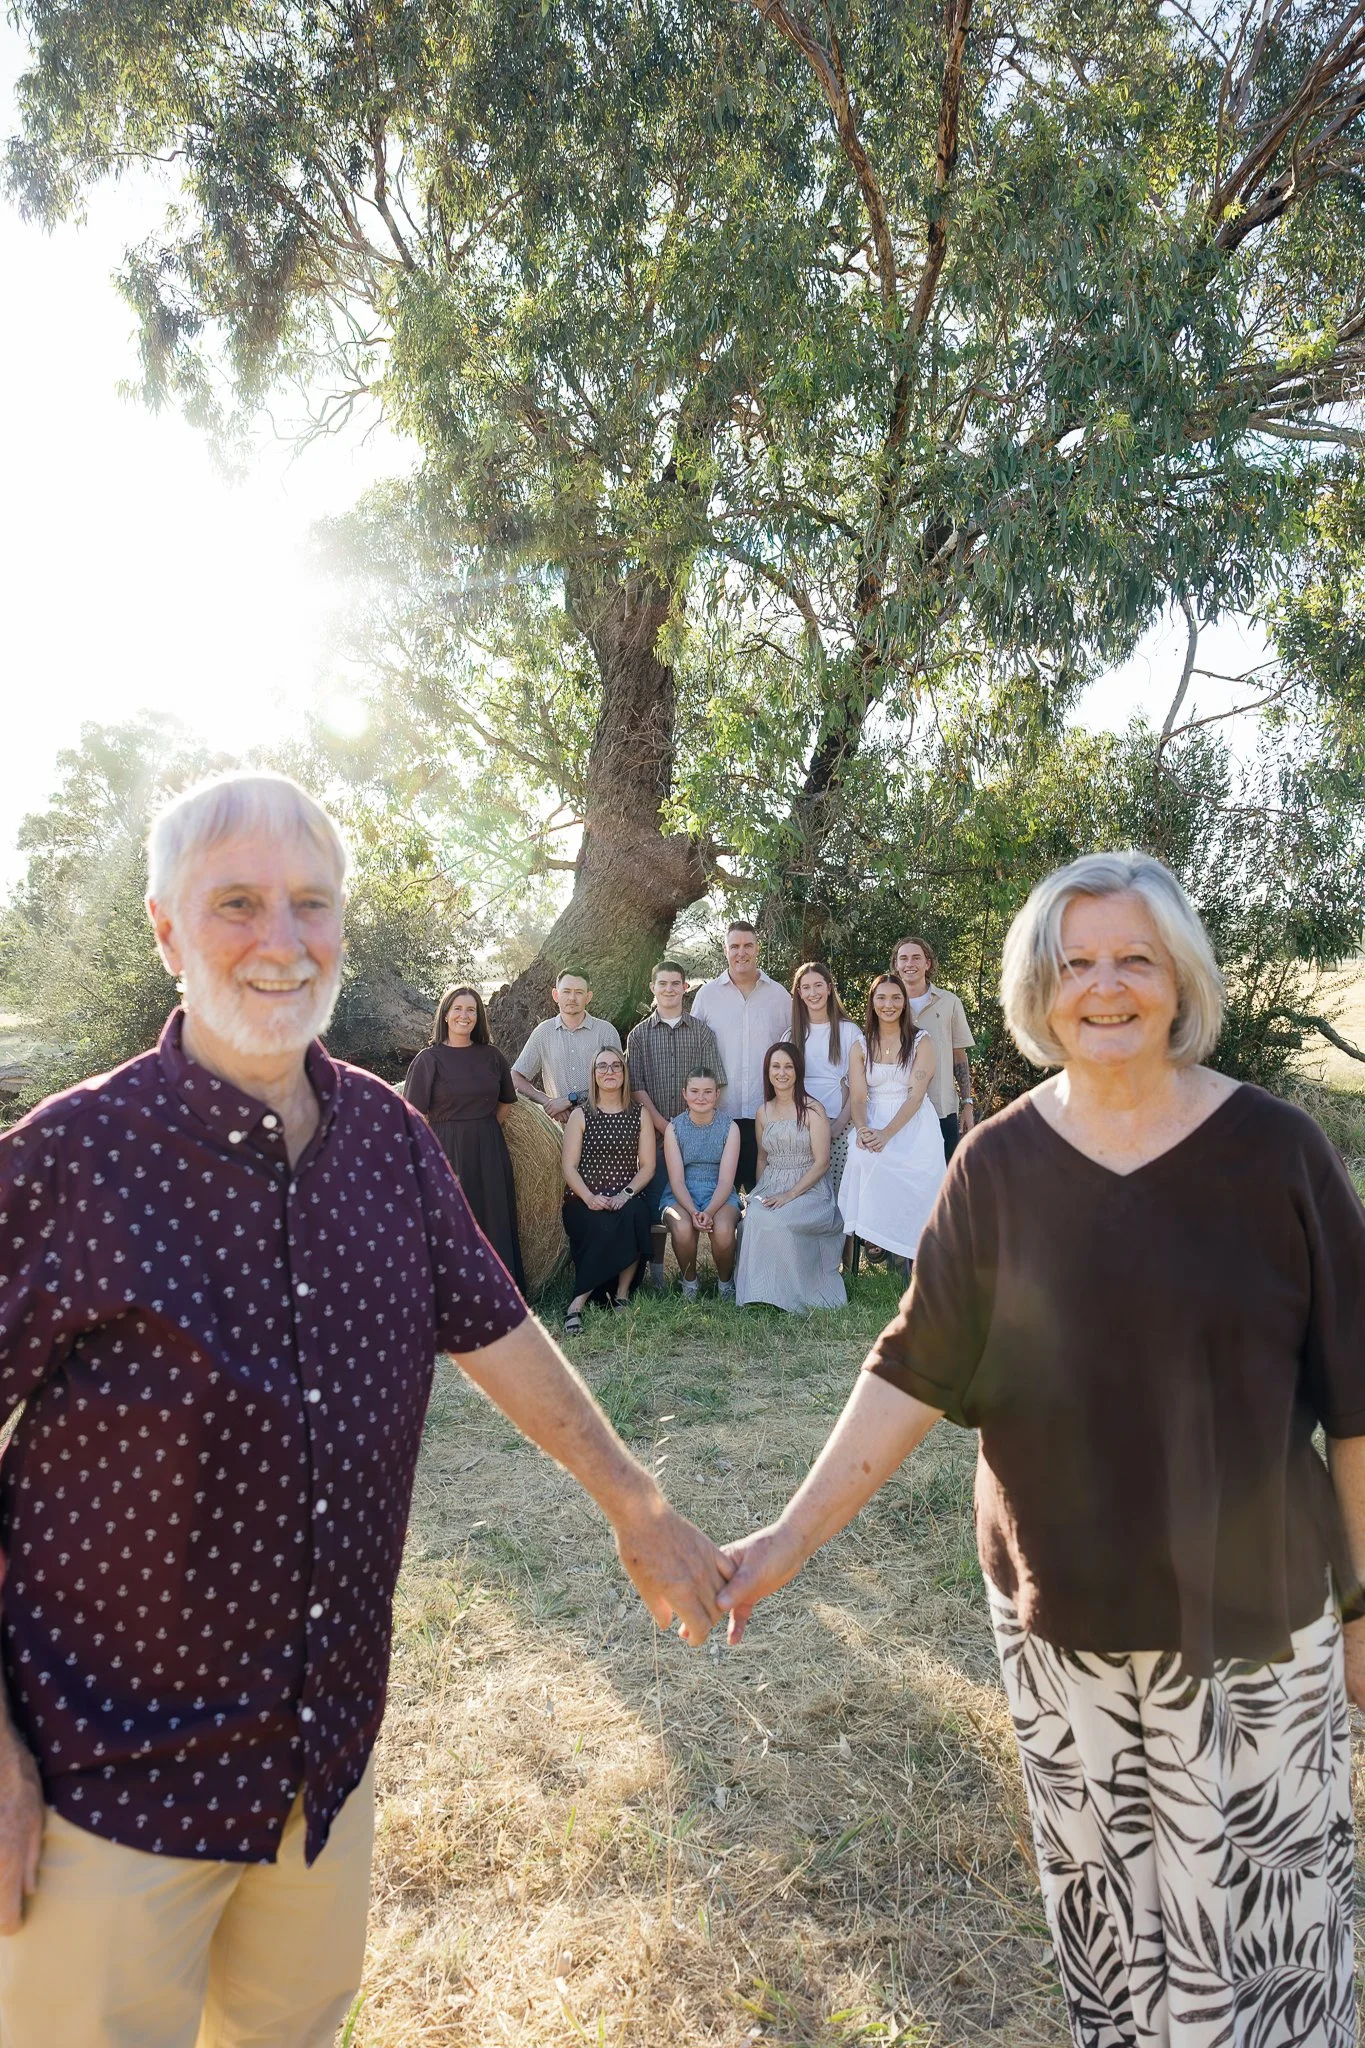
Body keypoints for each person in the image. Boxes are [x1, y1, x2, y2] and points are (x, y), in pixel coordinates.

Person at [0, 772, 732, 2048]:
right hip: (96, 1789)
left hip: (318, 1774)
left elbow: (498, 1328)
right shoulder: (69, 1160)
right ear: (169, 932)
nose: (281, 941)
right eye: (237, 903)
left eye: (310, 904)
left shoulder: (387, 1142)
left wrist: (638, 1502)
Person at [720, 851, 1365, 2048]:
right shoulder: (998, 1167)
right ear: (1039, 987)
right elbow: (909, 1371)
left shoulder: (1279, 1154)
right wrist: (785, 1539)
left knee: (1272, 1952)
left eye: (1136, 958)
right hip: (1062, 1635)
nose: (1106, 986)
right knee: (1114, 1943)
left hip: (1259, 1634)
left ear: (1181, 980)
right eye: (1078, 962)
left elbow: (1360, 1404)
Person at [404, 984, 525, 1289]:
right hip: (444, 1151)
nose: (464, 1015)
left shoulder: (492, 1056)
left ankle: (498, 1293)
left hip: (488, 1148)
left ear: (479, 1016)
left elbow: (505, 1102)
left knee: (493, 1220)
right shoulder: (428, 1059)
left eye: (471, 1009)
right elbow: (414, 1116)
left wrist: (483, 1130)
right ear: (445, 1015)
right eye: (457, 1008)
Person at [837, 975, 946, 1278]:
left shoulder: (922, 1041)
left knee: (914, 1172)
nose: (889, 1004)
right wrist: (862, 1130)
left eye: (896, 998)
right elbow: (858, 1098)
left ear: (904, 1002)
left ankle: (910, 1254)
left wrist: (887, 1134)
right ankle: (875, 1239)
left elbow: (916, 1096)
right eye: (881, 998)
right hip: (872, 1119)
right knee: (862, 1157)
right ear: (872, 1002)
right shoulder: (860, 1045)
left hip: (912, 1125)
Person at [627, 960, 726, 1289]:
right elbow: (637, 1087)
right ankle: (657, 1275)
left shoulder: (701, 1032)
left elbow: (713, 1083)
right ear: (652, 988)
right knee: (659, 1202)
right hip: (653, 1134)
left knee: (694, 1197)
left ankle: (698, 1275)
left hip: (695, 1134)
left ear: (686, 988)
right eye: (662, 983)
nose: (669, 989)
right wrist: (664, 1126)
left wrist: (687, 1126)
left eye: (675, 984)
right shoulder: (639, 1036)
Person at [734, 1043, 845, 1313]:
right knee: (754, 1218)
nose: (781, 1073)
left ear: (798, 1071)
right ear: (768, 1071)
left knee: (780, 1220)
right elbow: (762, 1157)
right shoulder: (764, 1112)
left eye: (788, 1066)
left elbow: (822, 1163)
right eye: (776, 1066)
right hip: (772, 1183)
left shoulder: (813, 1110)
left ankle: (792, 1295)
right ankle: (758, 1293)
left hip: (810, 1189)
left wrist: (790, 1194)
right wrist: (760, 1193)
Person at [690, 921, 791, 1193]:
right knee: (723, 1200)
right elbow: (692, 1050)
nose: (741, 952)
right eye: (734, 946)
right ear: (726, 950)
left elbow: (793, 1050)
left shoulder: (780, 996)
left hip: (767, 1113)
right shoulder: (707, 995)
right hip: (720, 1114)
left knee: (766, 1197)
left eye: (747, 945)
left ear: (758, 948)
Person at [561, 1047, 656, 1334]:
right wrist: (590, 1198)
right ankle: (577, 1303)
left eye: (616, 1066)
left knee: (637, 1213)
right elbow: (569, 1167)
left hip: (625, 1196)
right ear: (594, 1075)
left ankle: (622, 1295)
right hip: (583, 1199)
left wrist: (623, 1195)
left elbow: (648, 1166)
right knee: (601, 1224)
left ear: (624, 1073)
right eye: (602, 1067)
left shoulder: (640, 1114)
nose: (610, 1071)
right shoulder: (581, 1114)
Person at [889, 936, 976, 1159]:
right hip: (897, 1110)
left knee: (944, 1182)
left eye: (916, 958)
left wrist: (967, 1104)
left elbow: (959, 1056)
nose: (910, 964)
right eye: (904, 958)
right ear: (896, 964)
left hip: (941, 1108)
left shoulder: (949, 1002)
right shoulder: (886, 1005)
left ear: (927, 963)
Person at [661, 1068, 741, 1302]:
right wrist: (694, 1210)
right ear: (684, 1093)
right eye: (694, 1091)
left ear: (717, 1094)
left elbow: (726, 1180)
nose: (701, 1097)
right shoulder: (674, 1128)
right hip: (682, 1192)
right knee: (683, 1227)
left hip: (719, 1192)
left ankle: (725, 1283)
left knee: (724, 1230)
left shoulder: (730, 1127)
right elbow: (676, 1179)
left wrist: (708, 1211)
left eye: (707, 1092)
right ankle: (690, 1282)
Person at [789, 961, 863, 1194]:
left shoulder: (849, 1031)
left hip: (841, 1124)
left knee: (839, 1193)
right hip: (802, 1127)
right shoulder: (791, 1035)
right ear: (799, 993)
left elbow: (859, 1087)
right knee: (809, 1195)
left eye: (818, 985)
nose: (813, 993)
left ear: (829, 988)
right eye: (806, 987)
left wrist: (838, 1126)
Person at [511, 970, 621, 1122]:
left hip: (602, 1124)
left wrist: (570, 1099)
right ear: (556, 995)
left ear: (588, 997)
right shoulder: (543, 1032)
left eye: (579, 992)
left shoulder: (606, 1032)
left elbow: (618, 1081)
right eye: (566, 991)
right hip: (561, 1128)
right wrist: (548, 1102)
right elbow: (515, 1077)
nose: (572, 998)